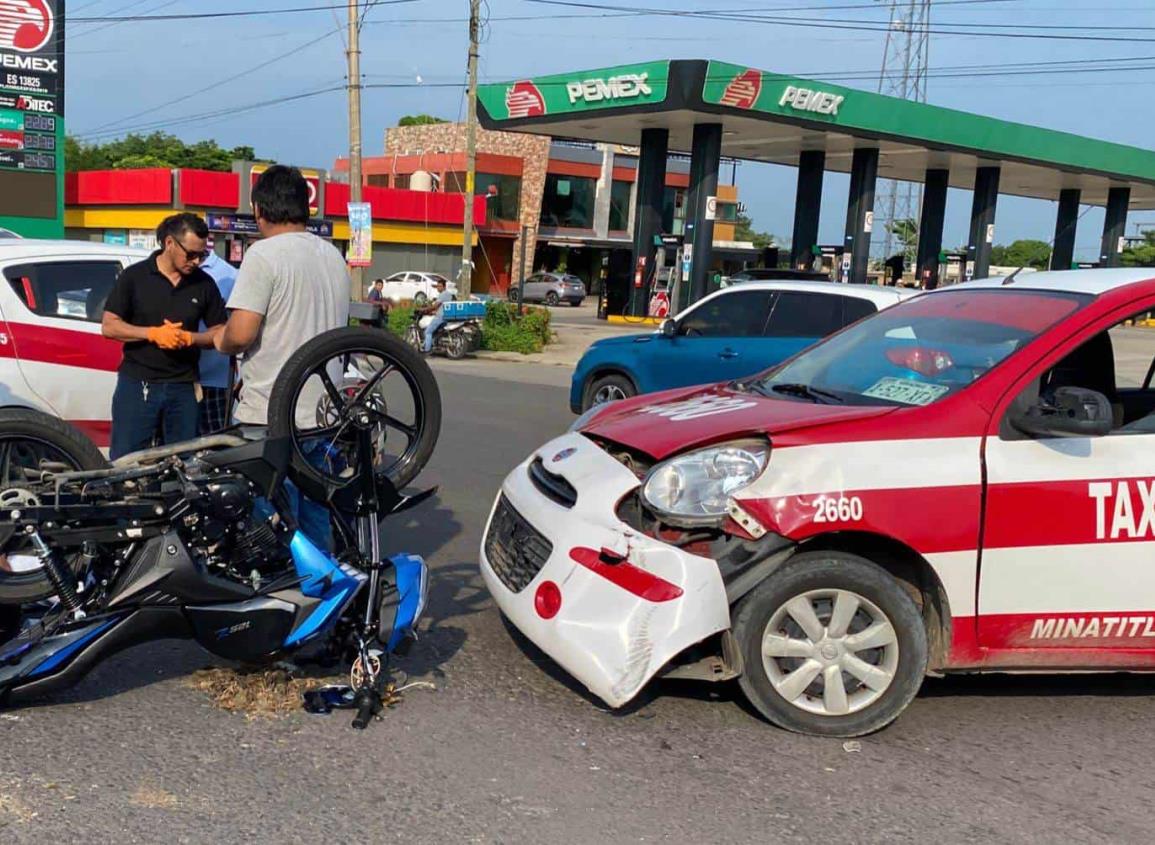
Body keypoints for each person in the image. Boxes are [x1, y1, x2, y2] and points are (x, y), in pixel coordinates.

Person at [214, 165, 350, 550]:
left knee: (265, 515)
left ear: (259, 209)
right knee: (315, 513)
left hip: (270, 413)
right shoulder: (332, 256)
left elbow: (240, 334)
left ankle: (274, 595)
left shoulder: (264, 255)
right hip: (323, 414)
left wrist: (217, 339)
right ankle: (320, 593)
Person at [102, 213, 227, 460]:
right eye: (190, 254)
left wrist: (190, 338)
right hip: (138, 383)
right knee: (127, 460)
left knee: (183, 462)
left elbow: (220, 332)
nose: (195, 261)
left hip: (184, 386)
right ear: (169, 243)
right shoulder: (134, 277)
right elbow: (109, 326)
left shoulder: (204, 284)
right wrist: (151, 334)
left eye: (202, 256)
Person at [198, 250, 239, 435]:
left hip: (215, 379)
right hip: (176, 376)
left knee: (213, 444)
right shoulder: (167, 270)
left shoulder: (229, 275)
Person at [421, 277, 454, 354]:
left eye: (440, 286)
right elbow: (441, 306)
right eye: (437, 286)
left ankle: (427, 350)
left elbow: (435, 306)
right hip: (446, 316)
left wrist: (425, 309)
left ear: (444, 287)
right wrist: (433, 311)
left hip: (440, 317)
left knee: (428, 332)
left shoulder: (443, 294)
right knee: (436, 331)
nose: (438, 288)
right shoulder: (449, 294)